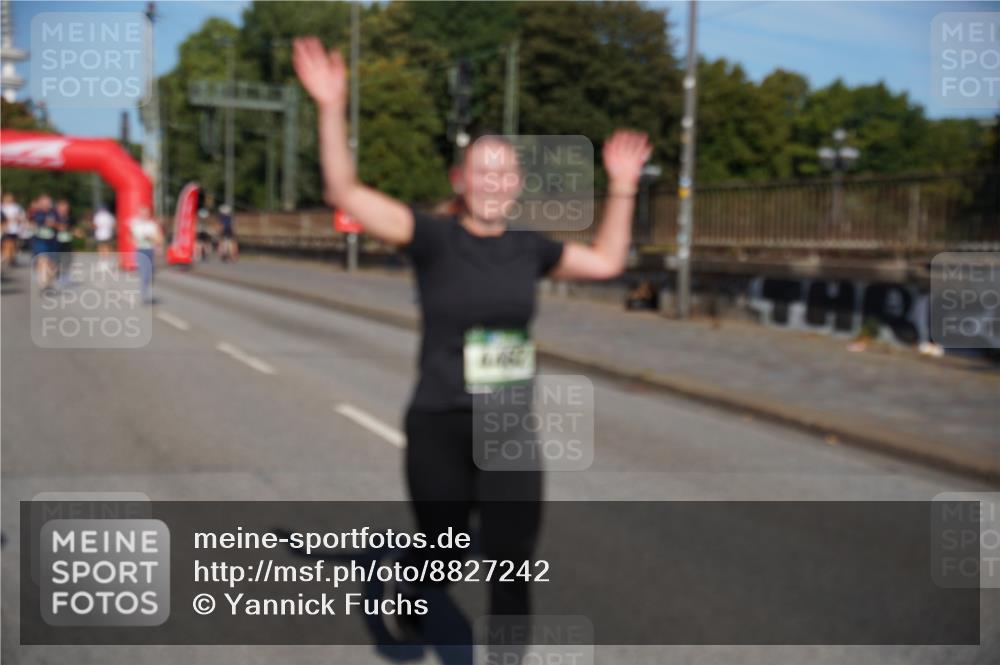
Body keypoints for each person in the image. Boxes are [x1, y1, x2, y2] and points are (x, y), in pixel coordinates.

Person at [294, 37, 651, 646]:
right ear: (461, 181)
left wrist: (621, 184)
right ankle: (409, 586)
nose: (494, 180)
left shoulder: (530, 248)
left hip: (508, 427)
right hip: (439, 421)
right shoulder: (432, 239)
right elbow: (345, 195)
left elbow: (608, 260)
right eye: (483, 170)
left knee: (511, 563)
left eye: (505, 170)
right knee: (446, 552)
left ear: (517, 184)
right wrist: (332, 106)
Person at [129, 206, 163, 304]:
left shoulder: (152, 225)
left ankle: (146, 291)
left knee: (150, 274)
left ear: (149, 214)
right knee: (144, 273)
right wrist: (134, 241)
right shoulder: (135, 224)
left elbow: (160, 239)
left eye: (146, 213)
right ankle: (144, 295)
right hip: (140, 250)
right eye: (142, 213)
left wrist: (151, 238)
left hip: (150, 250)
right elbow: (130, 236)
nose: (144, 215)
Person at [30, 195, 59, 292]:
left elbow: (61, 225)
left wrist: (54, 224)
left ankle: (48, 281)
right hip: (40, 241)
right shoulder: (36, 213)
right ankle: (43, 282)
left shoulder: (54, 213)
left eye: (48, 203)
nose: (47, 205)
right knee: (42, 260)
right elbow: (30, 223)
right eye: (45, 203)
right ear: (40, 204)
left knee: (52, 264)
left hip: (52, 241)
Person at [1, 192, 26, 268]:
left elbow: (22, 217)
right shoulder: (2, 207)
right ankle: (7, 258)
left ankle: (10, 258)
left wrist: (18, 222)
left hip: (14, 229)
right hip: (5, 229)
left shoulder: (16, 207)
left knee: (12, 245)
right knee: (6, 244)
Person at [54, 199, 74, 287]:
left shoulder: (70, 217)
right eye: (62, 207)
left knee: (67, 259)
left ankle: (65, 275)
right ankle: (57, 275)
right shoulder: (54, 217)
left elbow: (72, 228)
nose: (64, 209)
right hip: (56, 241)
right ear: (58, 208)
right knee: (57, 259)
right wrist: (58, 226)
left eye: (66, 207)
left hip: (67, 241)